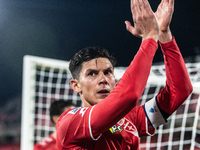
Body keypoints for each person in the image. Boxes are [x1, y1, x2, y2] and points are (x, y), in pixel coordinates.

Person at [56, 0, 193, 149]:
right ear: (76, 85)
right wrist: (150, 37)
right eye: (92, 74)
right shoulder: (70, 122)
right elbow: (129, 96)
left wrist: (163, 34)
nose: (103, 80)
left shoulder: (130, 118)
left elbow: (180, 91)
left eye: (108, 72)